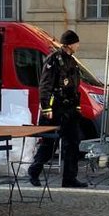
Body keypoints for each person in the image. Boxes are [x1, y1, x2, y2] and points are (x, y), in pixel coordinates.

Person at [27, 30, 88, 189]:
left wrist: (77, 107)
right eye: (76, 42)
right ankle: (34, 171)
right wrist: (46, 107)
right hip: (55, 109)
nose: (78, 45)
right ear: (69, 44)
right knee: (49, 144)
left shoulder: (72, 61)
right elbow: (45, 86)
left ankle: (69, 178)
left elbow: (75, 87)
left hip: (70, 110)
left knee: (73, 144)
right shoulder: (53, 60)